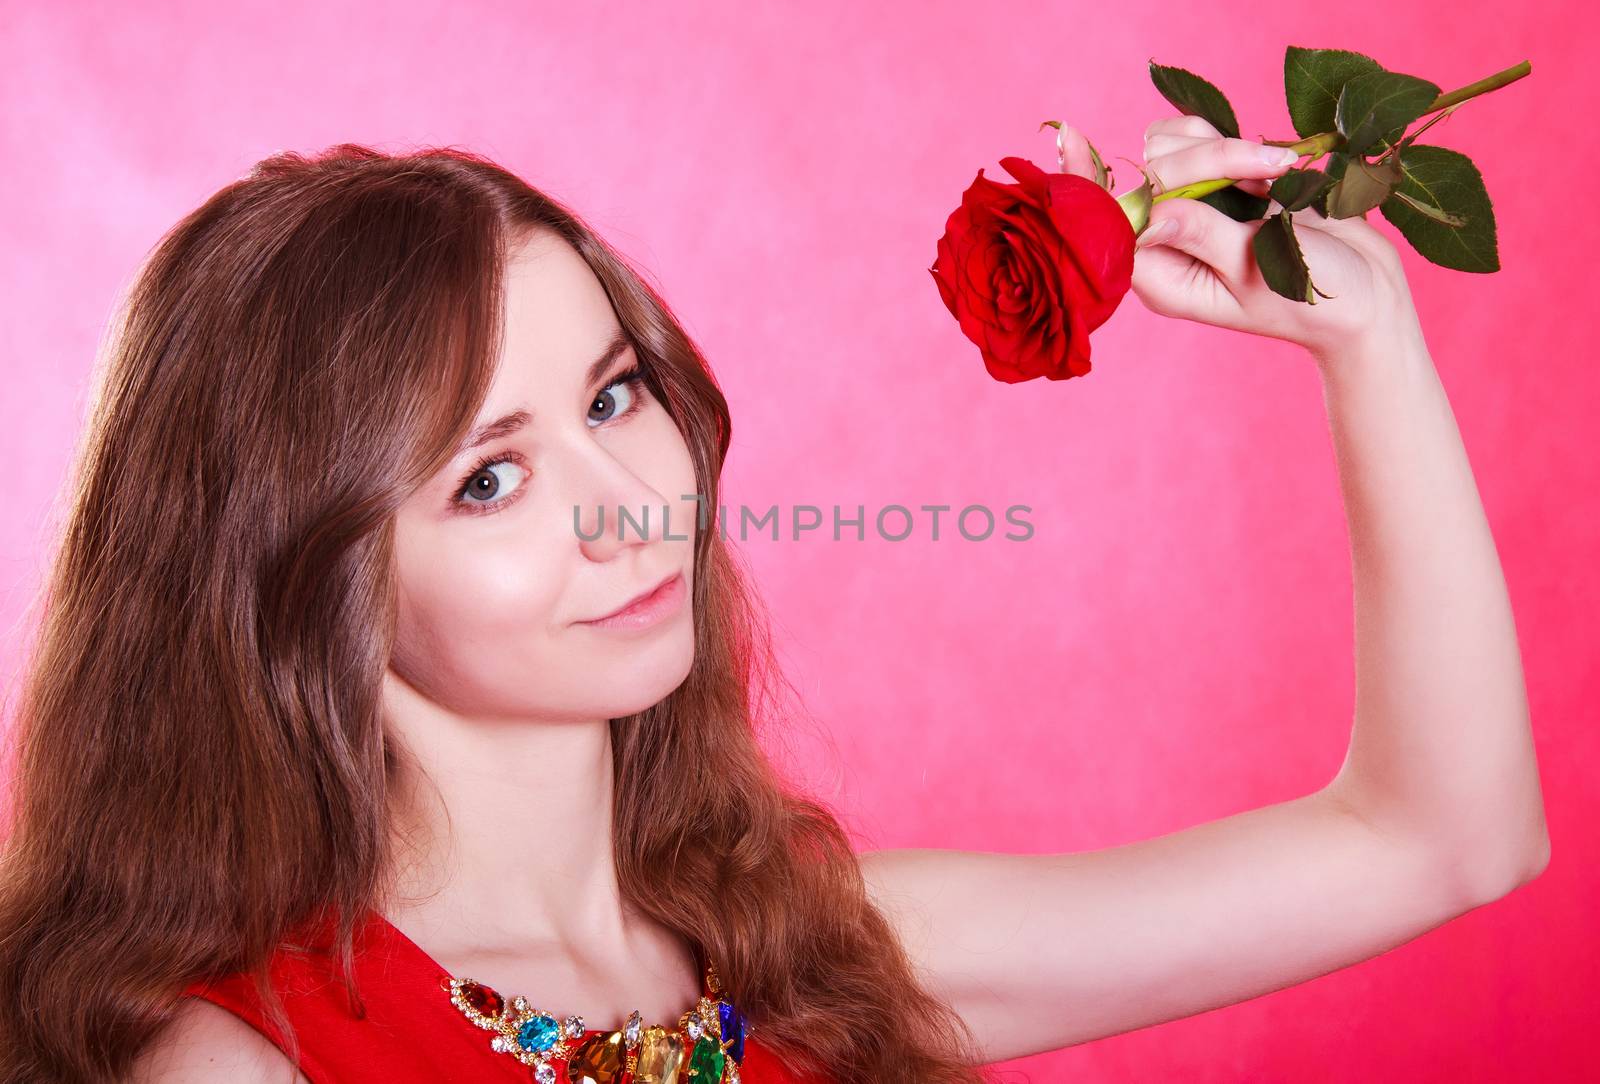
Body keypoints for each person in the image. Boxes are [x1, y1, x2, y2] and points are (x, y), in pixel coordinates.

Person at [0, 120, 1547, 1084]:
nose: (628, 503)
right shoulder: (240, 1062)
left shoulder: (828, 956)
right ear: (299, 578)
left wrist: (1370, 344)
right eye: (487, 477)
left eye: (614, 395)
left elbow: (1443, 840)